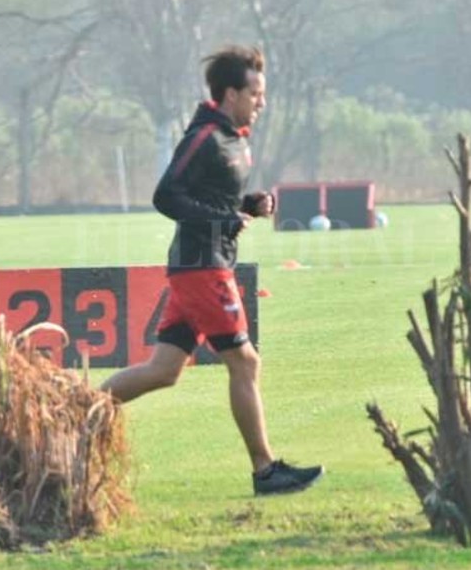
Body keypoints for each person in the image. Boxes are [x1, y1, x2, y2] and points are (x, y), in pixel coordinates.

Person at [100, 46, 323, 496]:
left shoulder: (233, 138)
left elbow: (211, 201)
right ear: (230, 93)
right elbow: (166, 196)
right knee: (244, 361)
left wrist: (247, 206)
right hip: (202, 268)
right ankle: (265, 472)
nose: (261, 102)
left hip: (202, 265)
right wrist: (221, 221)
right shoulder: (203, 136)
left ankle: (75, 412)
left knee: (165, 370)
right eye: (255, 93)